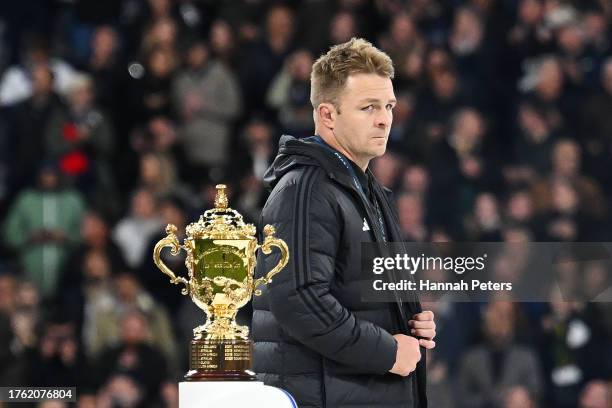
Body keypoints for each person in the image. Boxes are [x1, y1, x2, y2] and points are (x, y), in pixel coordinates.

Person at [253, 38, 435, 408]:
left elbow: (356, 290)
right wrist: (387, 350)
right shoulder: (305, 190)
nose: (385, 118)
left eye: (389, 106)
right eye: (368, 107)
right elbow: (299, 299)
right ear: (327, 115)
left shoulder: (368, 190)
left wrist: (409, 318)